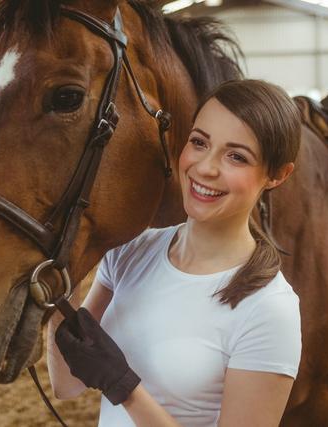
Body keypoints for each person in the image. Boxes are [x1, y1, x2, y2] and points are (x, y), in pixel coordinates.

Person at [47, 79, 303, 427]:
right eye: (199, 142)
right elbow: (67, 384)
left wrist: (125, 389)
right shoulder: (129, 254)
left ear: (277, 175)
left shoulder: (269, 309)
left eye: (236, 156)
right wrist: (65, 276)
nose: (205, 168)